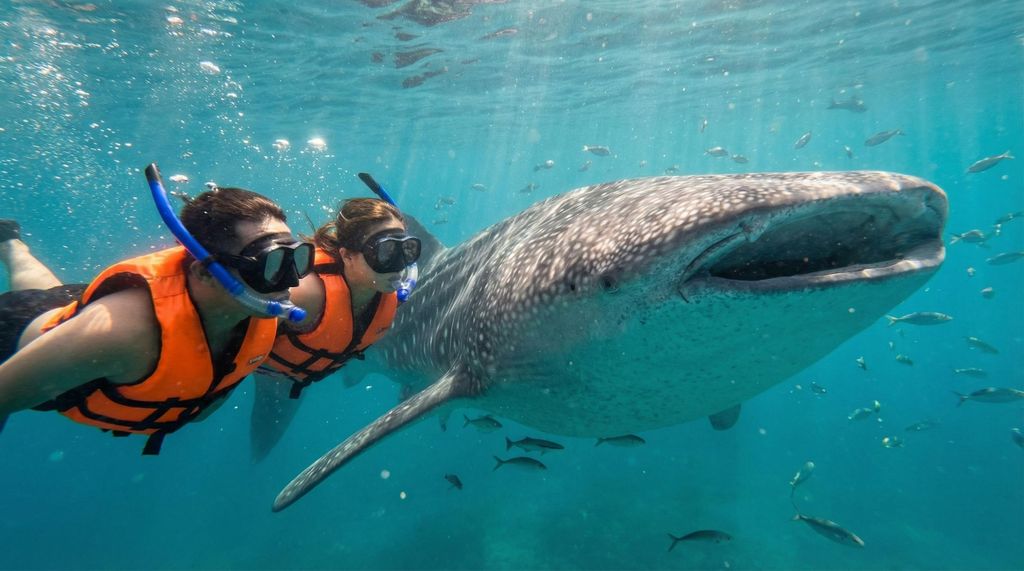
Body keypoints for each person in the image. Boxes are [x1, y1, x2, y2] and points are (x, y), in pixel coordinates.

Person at [0, 183, 314, 454]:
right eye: (271, 264)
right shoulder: (120, 334)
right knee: (36, 303)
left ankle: (10, 243)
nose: (291, 282)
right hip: (12, 330)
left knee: (46, 291)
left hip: (69, 307)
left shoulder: (259, 306)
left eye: (297, 260)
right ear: (204, 272)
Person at [249, 195, 421, 461]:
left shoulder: (386, 293)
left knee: (264, 444)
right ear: (347, 256)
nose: (399, 266)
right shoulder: (305, 294)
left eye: (406, 251)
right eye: (386, 252)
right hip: (267, 370)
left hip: (303, 372)